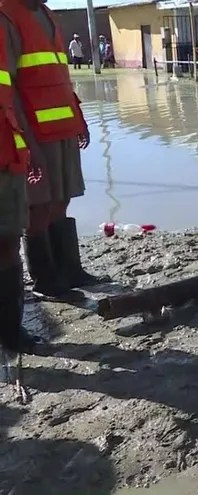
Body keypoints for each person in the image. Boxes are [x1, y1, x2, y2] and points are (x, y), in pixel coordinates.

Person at [1, 0, 103, 301]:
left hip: (62, 127)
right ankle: (45, 279)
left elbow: (58, 76)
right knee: (39, 207)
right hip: (34, 132)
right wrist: (25, 140)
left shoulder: (46, 14)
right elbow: (9, 89)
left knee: (62, 199)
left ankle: (70, 271)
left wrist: (79, 120)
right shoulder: (7, 16)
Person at [0, 22, 37, 355]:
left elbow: (15, 98)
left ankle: (11, 332)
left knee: (8, 244)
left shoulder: (5, 27)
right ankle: (11, 334)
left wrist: (27, 149)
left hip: (6, 155)